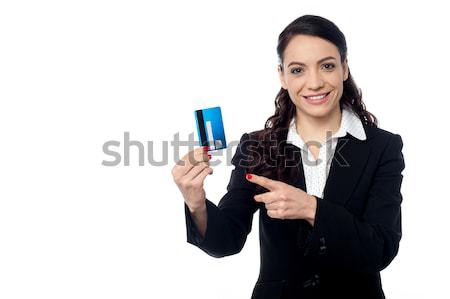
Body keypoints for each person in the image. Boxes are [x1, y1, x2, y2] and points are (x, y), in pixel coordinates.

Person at [171, 14, 405, 299]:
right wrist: (196, 204)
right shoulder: (258, 145)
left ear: (344, 68)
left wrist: (310, 208)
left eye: (327, 66)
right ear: (282, 75)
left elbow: (381, 248)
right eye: (298, 70)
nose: (315, 82)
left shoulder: (382, 147)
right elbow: (227, 241)